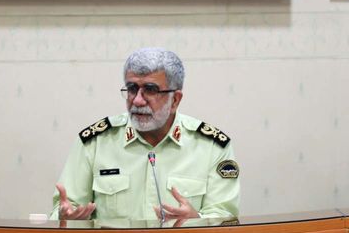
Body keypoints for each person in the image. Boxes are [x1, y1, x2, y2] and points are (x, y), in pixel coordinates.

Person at [52, 48, 240, 221]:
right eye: (132, 89)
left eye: (151, 90)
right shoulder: (95, 143)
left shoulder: (212, 147)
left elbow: (225, 218)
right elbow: (64, 211)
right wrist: (65, 218)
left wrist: (196, 219)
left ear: (175, 100)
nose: (138, 100)